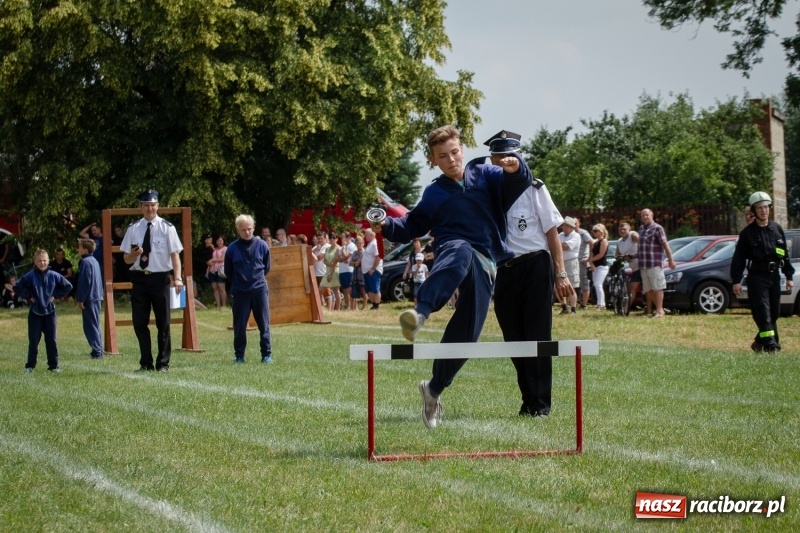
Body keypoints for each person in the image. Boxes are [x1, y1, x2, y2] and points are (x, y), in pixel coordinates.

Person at [372, 125, 531, 429]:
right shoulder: (435, 192)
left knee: (468, 333)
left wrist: (515, 166)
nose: (451, 159)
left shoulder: (488, 176)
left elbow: (517, 182)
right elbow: (412, 224)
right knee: (460, 251)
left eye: (455, 152)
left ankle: (433, 390)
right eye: (443, 156)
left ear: (463, 149)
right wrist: (386, 225)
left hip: (486, 260)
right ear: (433, 160)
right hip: (453, 247)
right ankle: (420, 314)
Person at [487, 130, 572, 419]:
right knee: (514, 338)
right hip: (506, 271)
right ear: (492, 160)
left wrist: (560, 274)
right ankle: (527, 400)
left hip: (535, 266)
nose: (506, 161)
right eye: (500, 157)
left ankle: (541, 405)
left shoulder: (534, 188)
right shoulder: (490, 192)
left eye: (512, 155)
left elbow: (552, 233)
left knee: (537, 336)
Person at [121, 189, 184, 372]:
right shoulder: (133, 228)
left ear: (158, 206)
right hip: (140, 280)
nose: (150, 208)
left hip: (160, 279)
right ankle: (145, 363)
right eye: (146, 205)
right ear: (141, 207)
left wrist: (178, 278)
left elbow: (175, 256)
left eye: (153, 205)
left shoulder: (167, 228)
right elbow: (126, 259)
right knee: (140, 323)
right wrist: (133, 255)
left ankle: (163, 364)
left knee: (163, 323)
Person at [731, 191, 794, 352]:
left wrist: (789, 276)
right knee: (762, 311)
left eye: (766, 207)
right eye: (759, 208)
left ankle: (760, 342)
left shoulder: (777, 229)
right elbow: (738, 258)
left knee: (774, 313)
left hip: (774, 275)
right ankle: (771, 345)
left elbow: (784, 255)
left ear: (769, 209)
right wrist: (736, 280)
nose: (763, 210)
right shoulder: (747, 234)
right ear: (754, 210)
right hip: (756, 277)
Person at [14, 249, 73, 372]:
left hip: (50, 313)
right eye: (40, 261)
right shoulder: (29, 276)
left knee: (52, 340)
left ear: (48, 260)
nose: (42, 263)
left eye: (45, 260)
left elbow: (68, 286)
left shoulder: (54, 275)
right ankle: (30, 366)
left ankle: (54, 366)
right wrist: (28, 297)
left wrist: (56, 296)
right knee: (34, 341)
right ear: (35, 262)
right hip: (35, 313)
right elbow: (17, 286)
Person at [224, 214, 273, 363]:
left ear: (254, 228)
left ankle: (266, 355)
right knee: (239, 326)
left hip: (259, 290)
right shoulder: (232, 249)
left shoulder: (262, 245)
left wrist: (255, 280)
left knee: (264, 324)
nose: (247, 232)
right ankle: (239, 356)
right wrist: (240, 283)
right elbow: (228, 271)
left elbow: (267, 267)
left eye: (249, 229)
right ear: (237, 230)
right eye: (243, 229)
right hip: (240, 292)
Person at [637, 208, 676, 318]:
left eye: (647, 215)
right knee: (648, 290)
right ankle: (660, 309)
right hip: (643, 264)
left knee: (658, 287)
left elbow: (665, 244)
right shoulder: (641, 229)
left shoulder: (657, 228)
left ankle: (659, 311)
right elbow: (642, 247)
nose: (645, 217)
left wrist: (671, 260)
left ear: (652, 215)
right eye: (643, 215)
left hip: (654, 263)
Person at [76, 238, 104, 359]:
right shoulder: (94, 261)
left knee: (90, 325)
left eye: (80, 247)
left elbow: (84, 282)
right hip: (97, 296)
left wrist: (81, 299)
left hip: (90, 298)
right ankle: (97, 350)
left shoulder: (85, 262)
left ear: (85, 249)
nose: (78, 249)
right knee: (95, 324)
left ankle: (97, 351)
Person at [558, 216, 581, 315]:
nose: (563, 227)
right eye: (563, 225)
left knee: (571, 286)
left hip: (571, 263)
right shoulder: (560, 235)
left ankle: (573, 309)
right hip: (560, 263)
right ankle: (564, 307)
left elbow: (565, 246)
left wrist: (557, 244)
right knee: (558, 286)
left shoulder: (576, 236)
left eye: (566, 226)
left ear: (571, 227)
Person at [615, 222, 641, 307]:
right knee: (632, 288)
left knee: (633, 287)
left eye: (624, 229)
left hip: (641, 265)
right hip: (633, 268)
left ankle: (626, 307)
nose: (622, 231)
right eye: (620, 230)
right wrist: (623, 258)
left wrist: (635, 256)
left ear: (629, 229)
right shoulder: (619, 241)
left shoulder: (632, 235)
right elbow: (617, 255)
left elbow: (643, 245)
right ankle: (625, 308)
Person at [588, 224, 610, 309]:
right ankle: (599, 303)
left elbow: (601, 254)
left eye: (595, 231)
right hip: (595, 266)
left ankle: (601, 304)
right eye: (593, 231)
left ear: (601, 232)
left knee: (598, 284)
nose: (594, 233)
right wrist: (591, 263)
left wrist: (591, 260)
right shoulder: (595, 242)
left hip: (602, 266)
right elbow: (592, 254)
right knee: (596, 284)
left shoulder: (604, 241)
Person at [361, 228, 383, 311]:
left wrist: (373, 268)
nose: (365, 237)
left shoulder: (375, 244)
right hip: (366, 271)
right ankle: (373, 305)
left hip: (373, 271)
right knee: (369, 289)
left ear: (372, 235)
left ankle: (377, 306)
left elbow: (378, 256)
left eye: (366, 235)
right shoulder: (370, 244)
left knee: (375, 289)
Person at [574, 217, 593, 309]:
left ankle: (584, 305)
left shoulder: (583, 233)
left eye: (575, 223)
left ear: (579, 223)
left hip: (582, 261)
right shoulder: (570, 234)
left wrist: (589, 258)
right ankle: (574, 302)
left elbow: (591, 242)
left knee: (584, 282)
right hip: (573, 261)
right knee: (574, 282)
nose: (574, 225)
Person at [321, 232, 341, 310]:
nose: (332, 239)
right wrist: (329, 264)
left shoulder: (338, 248)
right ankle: (321, 307)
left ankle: (338, 308)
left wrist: (330, 270)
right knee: (320, 289)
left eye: (334, 237)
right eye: (330, 237)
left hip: (335, 270)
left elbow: (335, 261)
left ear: (337, 239)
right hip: (328, 270)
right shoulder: (327, 248)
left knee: (336, 290)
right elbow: (324, 260)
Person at [337, 231, 357, 310]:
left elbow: (345, 256)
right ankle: (348, 306)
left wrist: (344, 248)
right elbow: (338, 258)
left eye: (343, 237)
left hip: (349, 270)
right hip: (342, 270)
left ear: (348, 238)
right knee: (345, 289)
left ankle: (353, 306)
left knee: (349, 289)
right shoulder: (342, 247)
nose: (342, 239)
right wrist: (342, 258)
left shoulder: (351, 246)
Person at [208, 235, 228, 309]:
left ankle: (224, 305)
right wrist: (210, 262)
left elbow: (222, 259)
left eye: (220, 241)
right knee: (215, 288)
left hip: (221, 270)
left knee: (221, 288)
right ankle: (218, 305)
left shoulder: (225, 249)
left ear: (223, 241)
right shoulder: (215, 249)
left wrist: (212, 260)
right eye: (218, 241)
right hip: (213, 270)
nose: (219, 242)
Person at [349, 235, 368, 310]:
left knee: (363, 290)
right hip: (355, 272)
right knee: (353, 289)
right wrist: (355, 263)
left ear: (363, 243)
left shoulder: (364, 252)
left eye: (360, 243)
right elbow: (350, 263)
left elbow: (357, 263)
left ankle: (364, 307)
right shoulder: (355, 252)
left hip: (361, 272)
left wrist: (355, 263)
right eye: (358, 243)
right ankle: (354, 307)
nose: (359, 245)